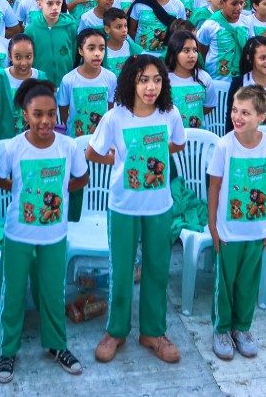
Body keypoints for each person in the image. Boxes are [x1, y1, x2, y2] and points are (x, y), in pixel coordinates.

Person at [87, 54, 186, 364]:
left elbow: (178, 143)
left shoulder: (170, 114)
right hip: (123, 206)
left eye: (157, 80)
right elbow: (92, 152)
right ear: (131, 82)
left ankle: (153, 332)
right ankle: (116, 331)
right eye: (143, 80)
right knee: (121, 270)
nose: (150, 87)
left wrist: (154, 151)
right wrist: (115, 159)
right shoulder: (115, 117)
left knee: (157, 269)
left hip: (159, 206)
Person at [0, 78, 88, 384]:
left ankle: (57, 345)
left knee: (52, 291)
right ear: (25, 115)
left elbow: (81, 178)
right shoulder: (13, 147)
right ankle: (8, 350)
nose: (45, 121)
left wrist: (59, 190)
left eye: (50, 114)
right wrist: (20, 189)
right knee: (13, 293)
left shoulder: (68, 146)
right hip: (18, 234)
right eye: (37, 114)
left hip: (54, 235)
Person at [208, 85, 266, 360]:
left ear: (262, 116)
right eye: (234, 110)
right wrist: (213, 226)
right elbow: (214, 187)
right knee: (225, 285)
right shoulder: (224, 145)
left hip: (256, 230)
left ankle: (242, 328)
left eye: (245, 112)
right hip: (228, 232)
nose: (237, 117)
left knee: (248, 283)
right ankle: (221, 329)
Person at [0, 34, 46, 143]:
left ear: (34, 56)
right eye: (18, 57)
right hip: (5, 143)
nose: (23, 63)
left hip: (36, 142)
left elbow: (47, 112)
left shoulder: (41, 78)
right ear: (10, 56)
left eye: (28, 57)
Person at [57, 29, 116, 137]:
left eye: (101, 48)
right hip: (75, 139)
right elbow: (63, 110)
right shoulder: (68, 80)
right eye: (91, 48)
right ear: (80, 51)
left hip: (102, 138)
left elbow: (110, 108)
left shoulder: (110, 78)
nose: (97, 53)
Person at [25, 0, 77, 86]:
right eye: (49, 3)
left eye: (58, 3)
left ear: (62, 2)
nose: (55, 8)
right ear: (40, 4)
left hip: (65, 83)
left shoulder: (70, 26)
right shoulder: (31, 30)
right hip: (40, 84)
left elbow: (74, 53)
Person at [197, 0, 251, 81]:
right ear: (222, 3)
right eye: (234, 4)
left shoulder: (247, 22)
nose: (239, 8)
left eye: (241, 3)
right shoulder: (210, 25)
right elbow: (201, 51)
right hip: (217, 81)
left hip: (242, 80)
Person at [165, 30, 216, 129]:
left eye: (195, 50)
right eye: (186, 50)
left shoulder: (204, 78)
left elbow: (208, 106)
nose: (192, 55)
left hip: (198, 136)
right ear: (174, 52)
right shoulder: (164, 80)